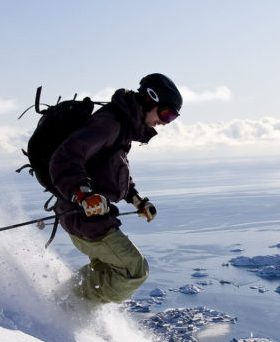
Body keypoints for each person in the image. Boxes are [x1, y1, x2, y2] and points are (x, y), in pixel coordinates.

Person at [49, 73, 182, 306]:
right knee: (134, 270)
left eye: (172, 117)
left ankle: (61, 301)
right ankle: (68, 306)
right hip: (83, 218)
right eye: (165, 113)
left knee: (105, 271)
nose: (165, 122)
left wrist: (137, 200)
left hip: (90, 217)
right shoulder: (110, 124)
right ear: (149, 100)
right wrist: (83, 194)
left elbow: (111, 171)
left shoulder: (123, 128)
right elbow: (65, 158)